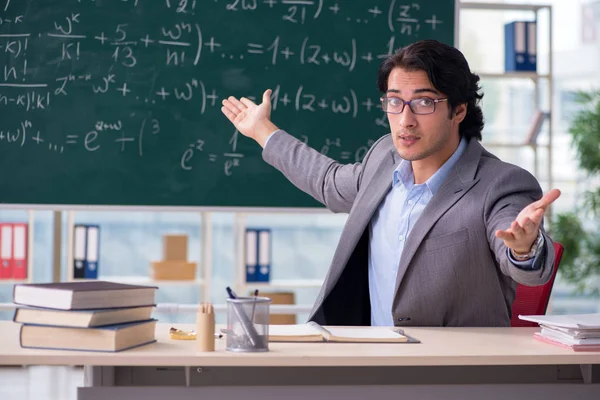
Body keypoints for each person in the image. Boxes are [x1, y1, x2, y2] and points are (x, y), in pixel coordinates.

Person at [221, 39, 561, 327]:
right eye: (395, 101)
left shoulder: (501, 184)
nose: (405, 120)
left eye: (425, 103)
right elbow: (326, 180)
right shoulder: (384, 158)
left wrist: (523, 248)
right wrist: (262, 130)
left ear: (458, 110)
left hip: (456, 374)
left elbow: (528, 266)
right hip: (373, 362)